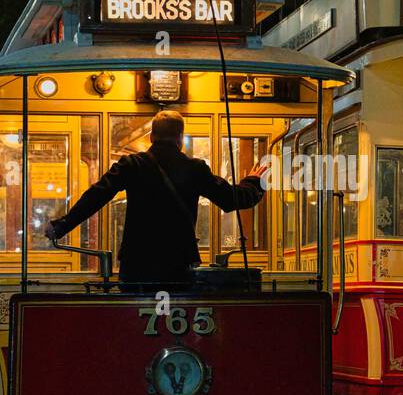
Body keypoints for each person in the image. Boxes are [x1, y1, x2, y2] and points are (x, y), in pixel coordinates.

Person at [43, 110, 264, 284]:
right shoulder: (194, 169)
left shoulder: (132, 165)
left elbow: (96, 196)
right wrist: (254, 181)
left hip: (137, 266)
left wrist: (61, 226)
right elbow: (232, 199)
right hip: (178, 266)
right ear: (180, 137)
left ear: (151, 136)